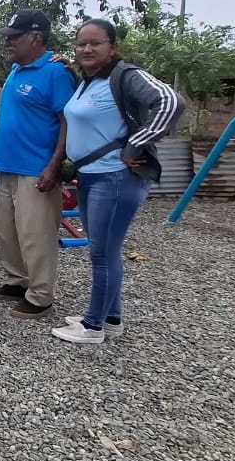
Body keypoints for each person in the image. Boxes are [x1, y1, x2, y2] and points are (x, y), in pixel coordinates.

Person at [52, 19, 183, 345]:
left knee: (102, 253)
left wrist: (136, 144)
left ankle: (92, 326)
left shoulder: (126, 75)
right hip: (90, 176)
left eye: (95, 43)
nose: (87, 49)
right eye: (81, 43)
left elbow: (170, 102)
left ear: (112, 47)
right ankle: (111, 318)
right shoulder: (89, 81)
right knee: (104, 251)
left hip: (115, 177)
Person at [0, 8, 76, 319]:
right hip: (8, 165)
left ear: (35, 38)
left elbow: (67, 121)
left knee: (36, 235)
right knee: (7, 233)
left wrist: (54, 165)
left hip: (36, 168)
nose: (8, 42)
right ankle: (18, 282)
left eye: (15, 37)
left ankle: (41, 296)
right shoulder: (18, 69)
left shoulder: (56, 72)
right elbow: (8, 100)